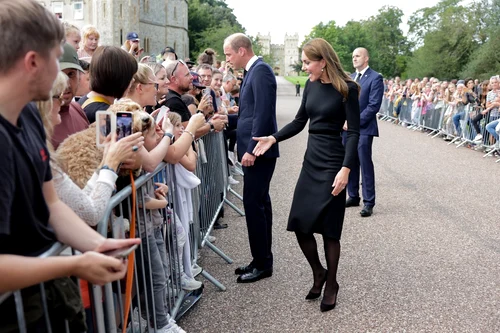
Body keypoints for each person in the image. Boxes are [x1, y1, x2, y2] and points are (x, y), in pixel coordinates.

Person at [0, 1, 140, 330]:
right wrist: (72, 264)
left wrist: (99, 245)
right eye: (57, 58)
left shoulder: (30, 120)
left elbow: (50, 203)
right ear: (33, 62)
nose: (69, 72)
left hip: (42, 302)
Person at [253, 38, 360, 312]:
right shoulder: (311, 86)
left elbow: (354, 133)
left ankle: (332, 283)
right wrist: (273, 138)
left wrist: (346, 170)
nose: (304, 66)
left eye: (307, 62)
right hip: (311, 161)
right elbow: (300, 121)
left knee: (330, 230)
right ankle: (319, 272)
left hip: (335, 161)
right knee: (300, 224)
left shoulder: (347, 89)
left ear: (322, 61)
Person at [223, 33, 279, 283]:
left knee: (254, 206)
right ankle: (261, 259)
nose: (227, 59)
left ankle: (262, 264)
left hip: (258, 152)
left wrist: (251, 150)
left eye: (229, 54)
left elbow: (264, 114)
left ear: (242, 50)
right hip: (255, 150)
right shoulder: (253, 71)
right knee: (258, 204)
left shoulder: (261, 71)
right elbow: (248, 114)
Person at [345, 47, 384, 217]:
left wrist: (354, 122)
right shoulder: (351, 78)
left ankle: (369, 202)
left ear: (366, 58)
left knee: (365, 164)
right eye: (353, 56)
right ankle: (353, 195)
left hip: (364, 128)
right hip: (348, 128)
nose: (354, 58)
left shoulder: (375, 78)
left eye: (358, 56)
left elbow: (373, 105)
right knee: (350, 161)